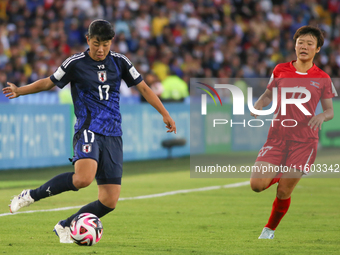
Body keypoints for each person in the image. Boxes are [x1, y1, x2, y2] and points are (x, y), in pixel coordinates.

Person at [2, 19, 176, 243]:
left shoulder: (121, 61)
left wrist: (165, 113)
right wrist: (20, 91)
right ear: (88, 40)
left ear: (112, 41)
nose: (101, 49)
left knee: (109, 201)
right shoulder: (75, 63)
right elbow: (48, 82)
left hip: (113, 134)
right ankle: (30, 195)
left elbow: (143, 87)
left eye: (105, 44)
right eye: (96, 43)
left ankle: (65, 225)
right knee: (83, 179)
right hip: (88, 129)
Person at [249, 26, 337, 239]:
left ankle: (268, 230)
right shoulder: (280, 69)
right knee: (257, 185)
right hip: (277, 136)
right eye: (300, 42)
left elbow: (330, 111)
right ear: (295, 45)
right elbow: (268, 94)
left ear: (317, 49)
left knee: (284, 192)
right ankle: (281, 173)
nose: (303, 47)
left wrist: (321, 116)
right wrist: (259, 104)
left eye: (309, 43)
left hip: (304, 142)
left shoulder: (322, 77)